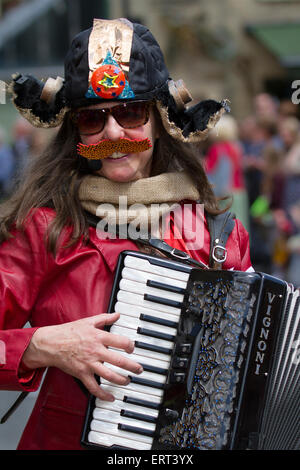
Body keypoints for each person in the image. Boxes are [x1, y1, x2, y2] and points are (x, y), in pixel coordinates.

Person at [0, 18, 253, 450]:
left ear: (160, 122)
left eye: (131, 113)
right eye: (92, 120)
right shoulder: (43, 225)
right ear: (76, 133)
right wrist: (39, 345)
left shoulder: (220, 234)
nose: (114, 134)